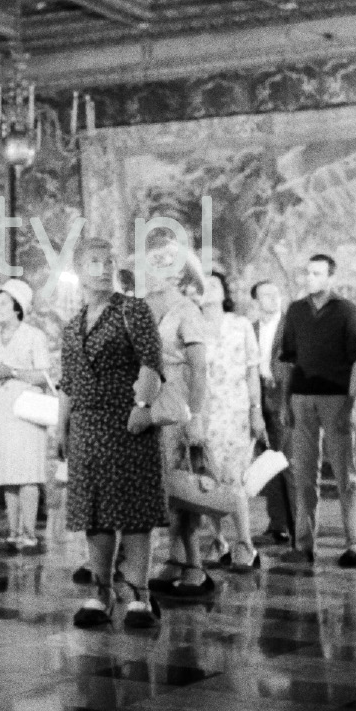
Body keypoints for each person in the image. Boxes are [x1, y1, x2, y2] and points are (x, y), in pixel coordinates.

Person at [60, 238, 165, 629]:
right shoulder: (73, 324)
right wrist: (61, 426)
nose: (103, 268)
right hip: (86, 426)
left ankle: (139, 594)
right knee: (95, 511)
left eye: (109, 261)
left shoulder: (133, 310)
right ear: (78, 269)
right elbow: (68, 381)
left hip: (126, 421)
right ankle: (101, 592)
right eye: (93, 261)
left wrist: (141, 407)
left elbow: (151, 361)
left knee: (135, 510)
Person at [279, 254, 356, 567]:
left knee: (346, 475)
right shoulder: (295, 310)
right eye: (308, 273)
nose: (311, 278)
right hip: (302, 398)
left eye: (318, 273)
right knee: (304, 474)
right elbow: (288, 359)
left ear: (330, 277)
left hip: (337, 399)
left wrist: (352, 400)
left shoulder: (347, 310)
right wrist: (285, 402)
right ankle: (303, 545)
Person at [141, 253, 211, 596]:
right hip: (147, 404)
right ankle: (173, 556)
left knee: (182, 484)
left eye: (163, 264)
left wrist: (195, 417)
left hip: (178, 403)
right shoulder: (141, 308)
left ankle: (195, 563)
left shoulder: (186, 310)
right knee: (160, 487)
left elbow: (199, 369)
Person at [192, 271, 265, 571]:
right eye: (202, 286)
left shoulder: (240, 325)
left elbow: (252, 371)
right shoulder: (192, 326)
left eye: (214, 285)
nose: (207, 290)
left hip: (235, 412)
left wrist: (256, 410)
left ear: (224, 292)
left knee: (233, 480)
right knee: (207, 480)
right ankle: (218, 539)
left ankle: (245, 543)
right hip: (202, 413)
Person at [0, 279, 53, 553]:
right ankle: (13, 531)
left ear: (17, 307)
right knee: (7, 473)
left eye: (3, 303)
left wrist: (13, 372)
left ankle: (30, 533)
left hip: (27, 410)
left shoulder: (34, 336)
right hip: (0, 410)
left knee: (27, 473)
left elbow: (45, 376)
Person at [250, 280, 294, 543]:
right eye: (266, 295)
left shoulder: (292, 327)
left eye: (276, 293)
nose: (273, 298)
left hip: (284, 397)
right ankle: (277, 524)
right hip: (258, 398)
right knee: (267, 463)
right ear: (256, 301)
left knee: (287, 461)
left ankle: (296, 525)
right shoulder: (251, 328)